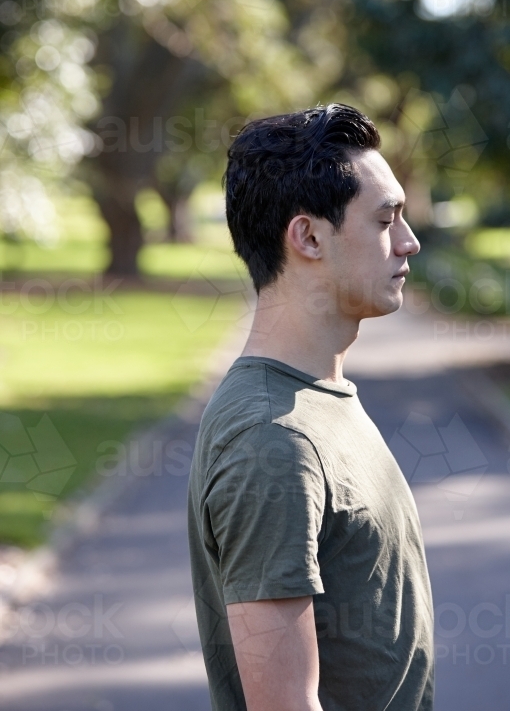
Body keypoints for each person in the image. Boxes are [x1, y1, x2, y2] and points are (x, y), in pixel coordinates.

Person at [188, 103, 434, 711]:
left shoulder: (318, 397)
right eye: (385, 221)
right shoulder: (272, 439)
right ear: (308, 237)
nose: (410, 241)